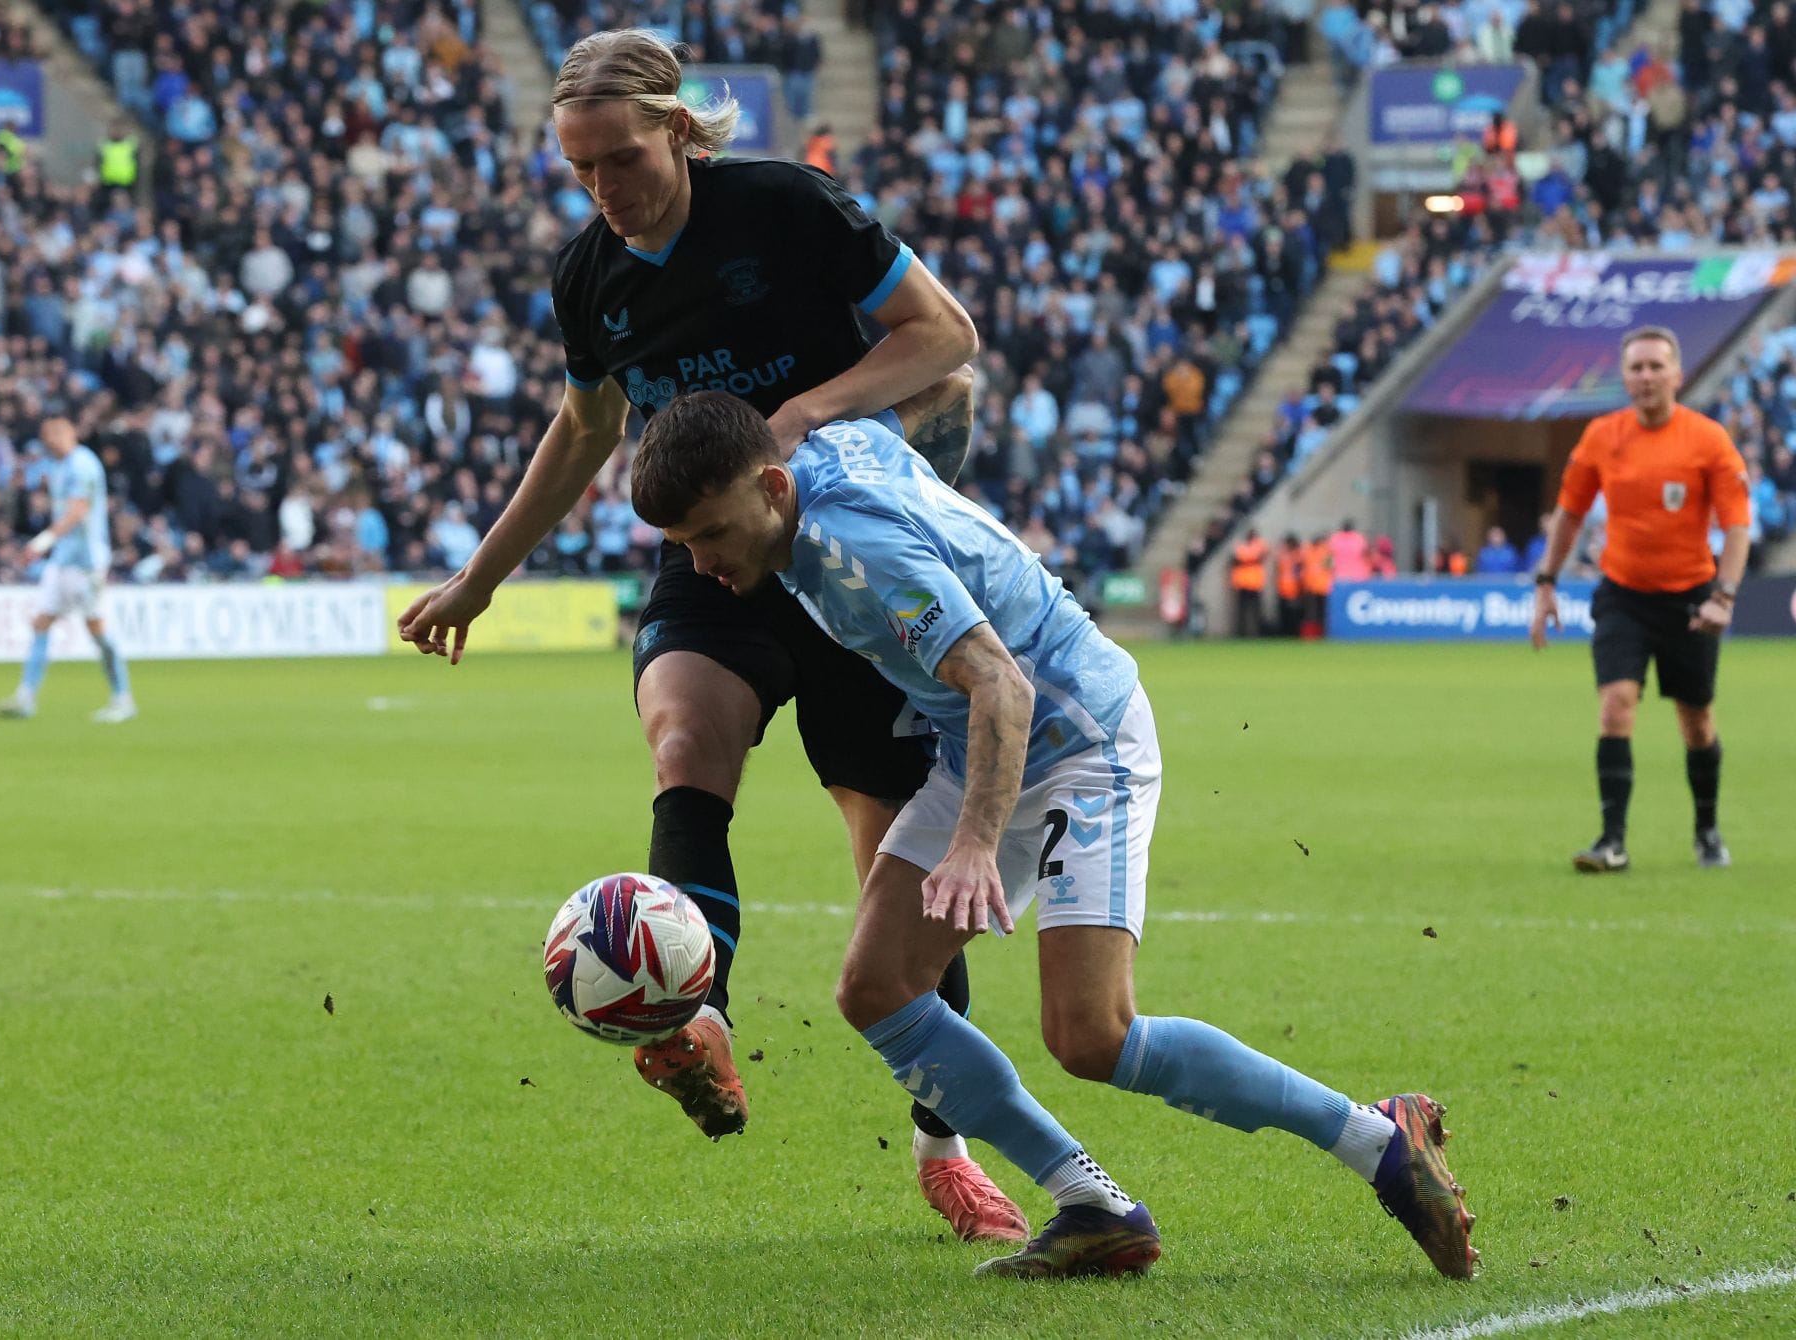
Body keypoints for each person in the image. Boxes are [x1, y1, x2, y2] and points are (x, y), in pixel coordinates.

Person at [395, 30, 1022, 1241]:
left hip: (845, 548)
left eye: (621, 161)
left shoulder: (787, 207)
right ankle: (700, 1018)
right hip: (717, 557)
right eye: (580, 172)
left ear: (679, 131)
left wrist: (800, 414)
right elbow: (581, 433)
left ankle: (943, 1141)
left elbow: (945, 337)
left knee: (890, 859)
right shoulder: (593, 275)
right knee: (686, 737)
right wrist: (479, 579)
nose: (604, 192)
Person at [631, 391, 1478, 1281]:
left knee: (1091, 1034)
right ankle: (1093, 1207)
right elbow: (946, 389)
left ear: (770, 486)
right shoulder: (826, 453)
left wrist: (969, 844)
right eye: (683, 543)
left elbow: (1003, 684)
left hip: (1079, 739)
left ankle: (1378, 1139)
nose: (700, 562)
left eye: (710, 535)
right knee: (877, 987)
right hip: (977, 741)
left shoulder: (856, 552)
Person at [1530, 326, 1750, 872]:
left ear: (1679, 374)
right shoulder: (1602, 436)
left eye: (1656, 366)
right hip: (1623, 595)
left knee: (1696, 721)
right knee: (1615, 705)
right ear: (1624, 376)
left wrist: (1724, 594)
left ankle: (1706, 831)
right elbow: (1570, 513)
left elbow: (1737, 525)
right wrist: (1546, 582)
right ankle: (1612, 841)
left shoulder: (1707, 440)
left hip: (1692, 599)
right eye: (1636, 368)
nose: (1646, 377)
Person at [0, 417, 135, 723]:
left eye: (55, 434)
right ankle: (26, 698)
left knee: (97, 629)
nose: (50, 441)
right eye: (46, 436)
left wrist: (40, 543)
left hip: (87, 563)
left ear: (69, 434)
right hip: (63, 560)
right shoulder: (57, 465)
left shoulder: (81, 464)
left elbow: (77, 512)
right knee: (41, 622)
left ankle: (123, 698)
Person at [1228, 529, 1267, 637]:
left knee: (1256, 611)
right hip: (1243, 583)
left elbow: (1260, 556)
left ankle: (1258, 632)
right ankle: (1242, 633)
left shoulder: (1258, 544)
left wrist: (1246, 560)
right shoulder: (1241, 546)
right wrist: (1249, 560)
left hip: (1255, 583)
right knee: (1242, 611)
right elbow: (1236, 559)